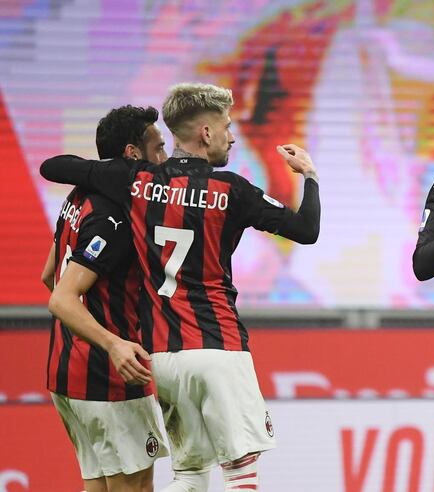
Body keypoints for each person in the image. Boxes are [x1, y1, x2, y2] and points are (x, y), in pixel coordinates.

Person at [40, 82, 321, 491]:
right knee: (241, 471)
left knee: (189, 475)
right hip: (219, 347)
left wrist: (101, 176)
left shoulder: (134, 180)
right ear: (206, 133)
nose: (232, 134)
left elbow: (54, 167)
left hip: (164, 357)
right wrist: (309, 175)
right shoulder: (233, 189)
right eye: (226, 125)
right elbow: (306, 229)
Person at [44, 105, 169, 492]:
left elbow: (49, 275)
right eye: (159, 148)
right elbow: (62, 297)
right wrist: (112, 343)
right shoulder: (115, 216)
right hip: (110, 379)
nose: (164, 158)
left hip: (67, 371)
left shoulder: (77, 197)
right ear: (133, 154)